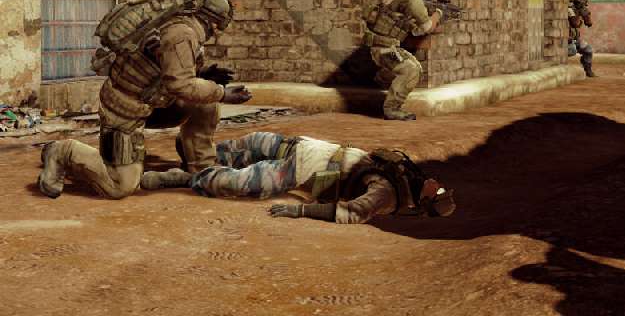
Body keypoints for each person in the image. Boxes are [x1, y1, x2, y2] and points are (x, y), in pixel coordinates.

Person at [38, 0, 252, 200]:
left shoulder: (183, 24)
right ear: (214, 25)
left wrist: (204, 75)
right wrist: (223, 93)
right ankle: (63, 151)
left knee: (206, 103)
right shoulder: (182, 34)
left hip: (154, 103)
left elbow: (169, 70)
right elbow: (180, 84)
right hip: (125, 109)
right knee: (119, 186)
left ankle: (201, 168)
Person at [139, 131, 456, 225]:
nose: (436, 185)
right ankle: (197, 160)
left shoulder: (388, 195)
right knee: (246, 145)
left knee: (232, 183)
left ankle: (182, 178)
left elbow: (349, 214)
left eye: (437, 193)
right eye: (441, 187)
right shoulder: (405, 172)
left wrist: (300, 210)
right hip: (304, 147)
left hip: (299, 171)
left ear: (425, 202)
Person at [362, 0, 445, 120]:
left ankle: (380, 79)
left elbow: (416, 31)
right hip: (382, 48)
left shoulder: (407, 0)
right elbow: (427, 27)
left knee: (417, 68)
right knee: (410, 70)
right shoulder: (413, 1)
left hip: (389, 46)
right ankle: (391, 109)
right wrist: (438, 14)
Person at [567, 0, 595, 78]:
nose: (583, 6)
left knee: (588, 50)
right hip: (567, 40)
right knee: (572, 50)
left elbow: (589, 23)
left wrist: (585, 15)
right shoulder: (569, 10)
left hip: (575, 39)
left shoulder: (579, 9)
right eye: (581, 4)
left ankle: (588, 70)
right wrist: (580, 14)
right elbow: (575, 23)